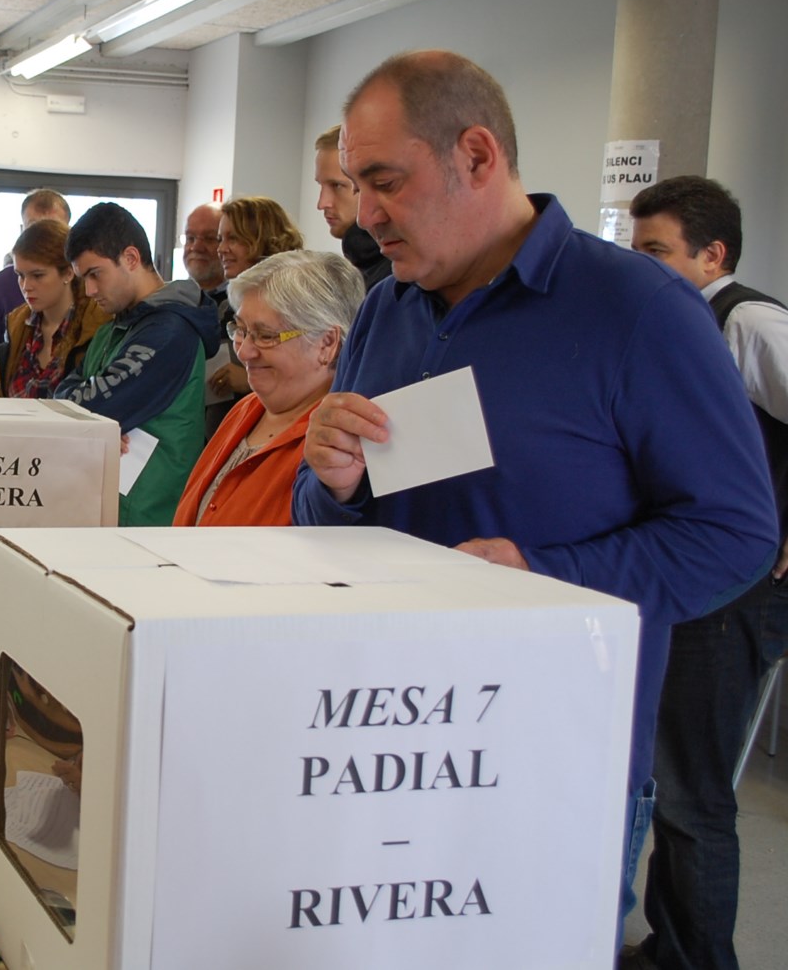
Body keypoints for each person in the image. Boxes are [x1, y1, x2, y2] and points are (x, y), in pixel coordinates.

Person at [290, 50, 777, 935]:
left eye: (385, 182)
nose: (364, 215)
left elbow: (735, 533)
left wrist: (541, 575)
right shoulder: (386, 309)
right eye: (355, 186)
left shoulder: (640, 310)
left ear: (476, 156)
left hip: (549, 773)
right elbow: (329, 519)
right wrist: (332, 484)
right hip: (371, 747)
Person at [623, 176, 788, 970]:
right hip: (689, 581)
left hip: (736, 591)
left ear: (712, 253)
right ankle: (670, 946)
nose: (640, 265)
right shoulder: (676, 323)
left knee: (693, 794)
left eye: (656, 250)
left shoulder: (749, 319)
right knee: (671, 782)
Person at [54, 202, 220, 526]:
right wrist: (93, 424)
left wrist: (91, 422)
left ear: (130, 258)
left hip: (148, 520)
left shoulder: (170, 332)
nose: (89, 291)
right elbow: (62, 394)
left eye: (94, 274)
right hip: (106, 510)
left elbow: (95, 407)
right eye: (82, 279)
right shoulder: (112, 329)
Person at [173, 250, 363, 527]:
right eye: (240, 330)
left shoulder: (337, 441)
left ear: (327, 343)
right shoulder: (247, 409)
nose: (245, 351)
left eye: (265, 336)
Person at [0, 188, 72, 396]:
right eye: (34, 228)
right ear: (22, 229)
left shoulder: (91, 300)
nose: (27, 286)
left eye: (53, 229)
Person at [0, 218, 108, 398]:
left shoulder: (99, 322)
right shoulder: (17, 323)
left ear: (69, 272)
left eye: (38, 275)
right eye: (20, 275)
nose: (26, 286)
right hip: (14, 425)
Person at [206, 197, 304, 405]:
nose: (221, 249)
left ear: (262, 239)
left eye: (232, 239)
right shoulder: (227, 304)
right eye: (220, 239)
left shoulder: (295, 301)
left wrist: (249, 381)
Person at [181, 202, 236, 436]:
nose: (196, 247)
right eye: (190, 237)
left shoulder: (241, 304)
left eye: (209, 238)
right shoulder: (175, 299)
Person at [315, 123, 392, 290]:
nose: (322, 203)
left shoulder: (397, 278)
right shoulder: (361, 266)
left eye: (336, 186)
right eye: (321, 186)